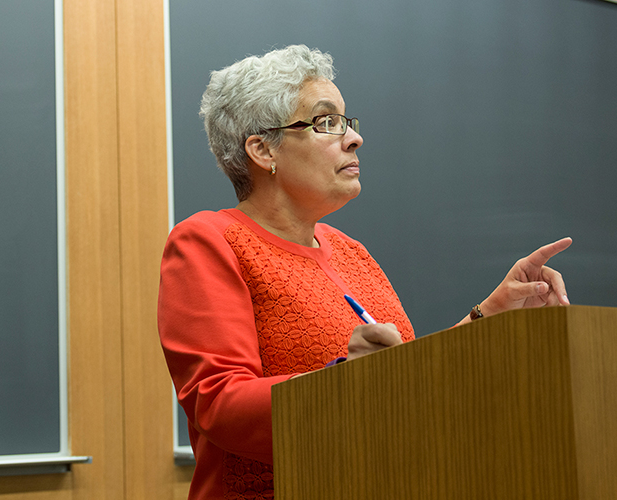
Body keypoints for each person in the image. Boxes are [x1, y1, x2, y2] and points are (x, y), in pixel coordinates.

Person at [157, 45, 571, 500]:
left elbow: (404, 379)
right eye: (325, 122)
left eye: (347, 122)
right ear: (262, 149)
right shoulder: (210, 240)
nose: (353, 138)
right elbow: (218, 404)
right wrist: (343, 384)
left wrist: (493, 313)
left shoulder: (351, 252)